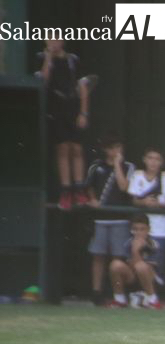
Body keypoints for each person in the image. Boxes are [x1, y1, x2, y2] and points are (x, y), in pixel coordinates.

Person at [38, 39, 91, 210]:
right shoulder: (41, 57)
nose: (53, 42)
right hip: (56, 107)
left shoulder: (73, 59)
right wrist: (48, 58)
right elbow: (43, 81)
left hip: (73, 107)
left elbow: (83, 86)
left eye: (56, 38)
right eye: (49, 38)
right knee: (62, 148)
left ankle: (79, 188)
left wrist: (83, 112)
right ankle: (66, 190)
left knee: (76, 149)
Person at [85, 133, 135, 307]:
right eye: (113, 148)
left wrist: (117, 165)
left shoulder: (128, 166)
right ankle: (96, 292)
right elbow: (89, 187)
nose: (116, 151)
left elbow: (124, 187)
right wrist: (92, 200)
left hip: (120, 220)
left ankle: (118, 294)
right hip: (100, 220)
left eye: (119, 147)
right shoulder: (96, 166)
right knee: (98, 256)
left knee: (118, 258)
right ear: (106, 149)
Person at [127, 147, 165, 283]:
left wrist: (157, 203)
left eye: (157, 159)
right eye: (150, 158)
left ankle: (152, 297)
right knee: (137, 261)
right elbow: (134, 199)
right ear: (144, 159)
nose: (153, 162)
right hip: (140, 228)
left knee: (156, 265)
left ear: (161, 162)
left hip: (161, 230)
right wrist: (144, 201)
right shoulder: (137, 175)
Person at [108, 214, 163, 310]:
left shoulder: (154, 244)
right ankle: (120, 299)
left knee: (141, 266)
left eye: (142, 229)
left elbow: (149, 267)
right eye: (135, 229)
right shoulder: (129, 243)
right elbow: (131, 266)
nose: (138, 232)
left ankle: (153, 300)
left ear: (148, 229)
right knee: (115, 264)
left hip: (151, 279)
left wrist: (136, 251)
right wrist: (134, 250)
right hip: (133, 277)